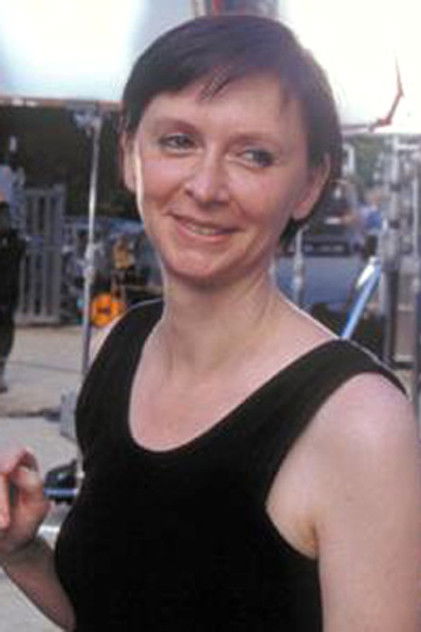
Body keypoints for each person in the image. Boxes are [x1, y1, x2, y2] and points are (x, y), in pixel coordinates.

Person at [0, 14, 420, 631]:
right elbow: (118, 609)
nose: (205, 186)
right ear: (130, 155)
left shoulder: (357, 423)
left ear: (309, 185)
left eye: (254, 155)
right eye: (178, 141)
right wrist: (21, 551)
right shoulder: (120, 349)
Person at [0, 203, 26, 392]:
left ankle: (0, 371)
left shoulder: (14, 242)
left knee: (5, 334)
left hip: (7, 296)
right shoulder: (15, 242)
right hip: (8, 295)